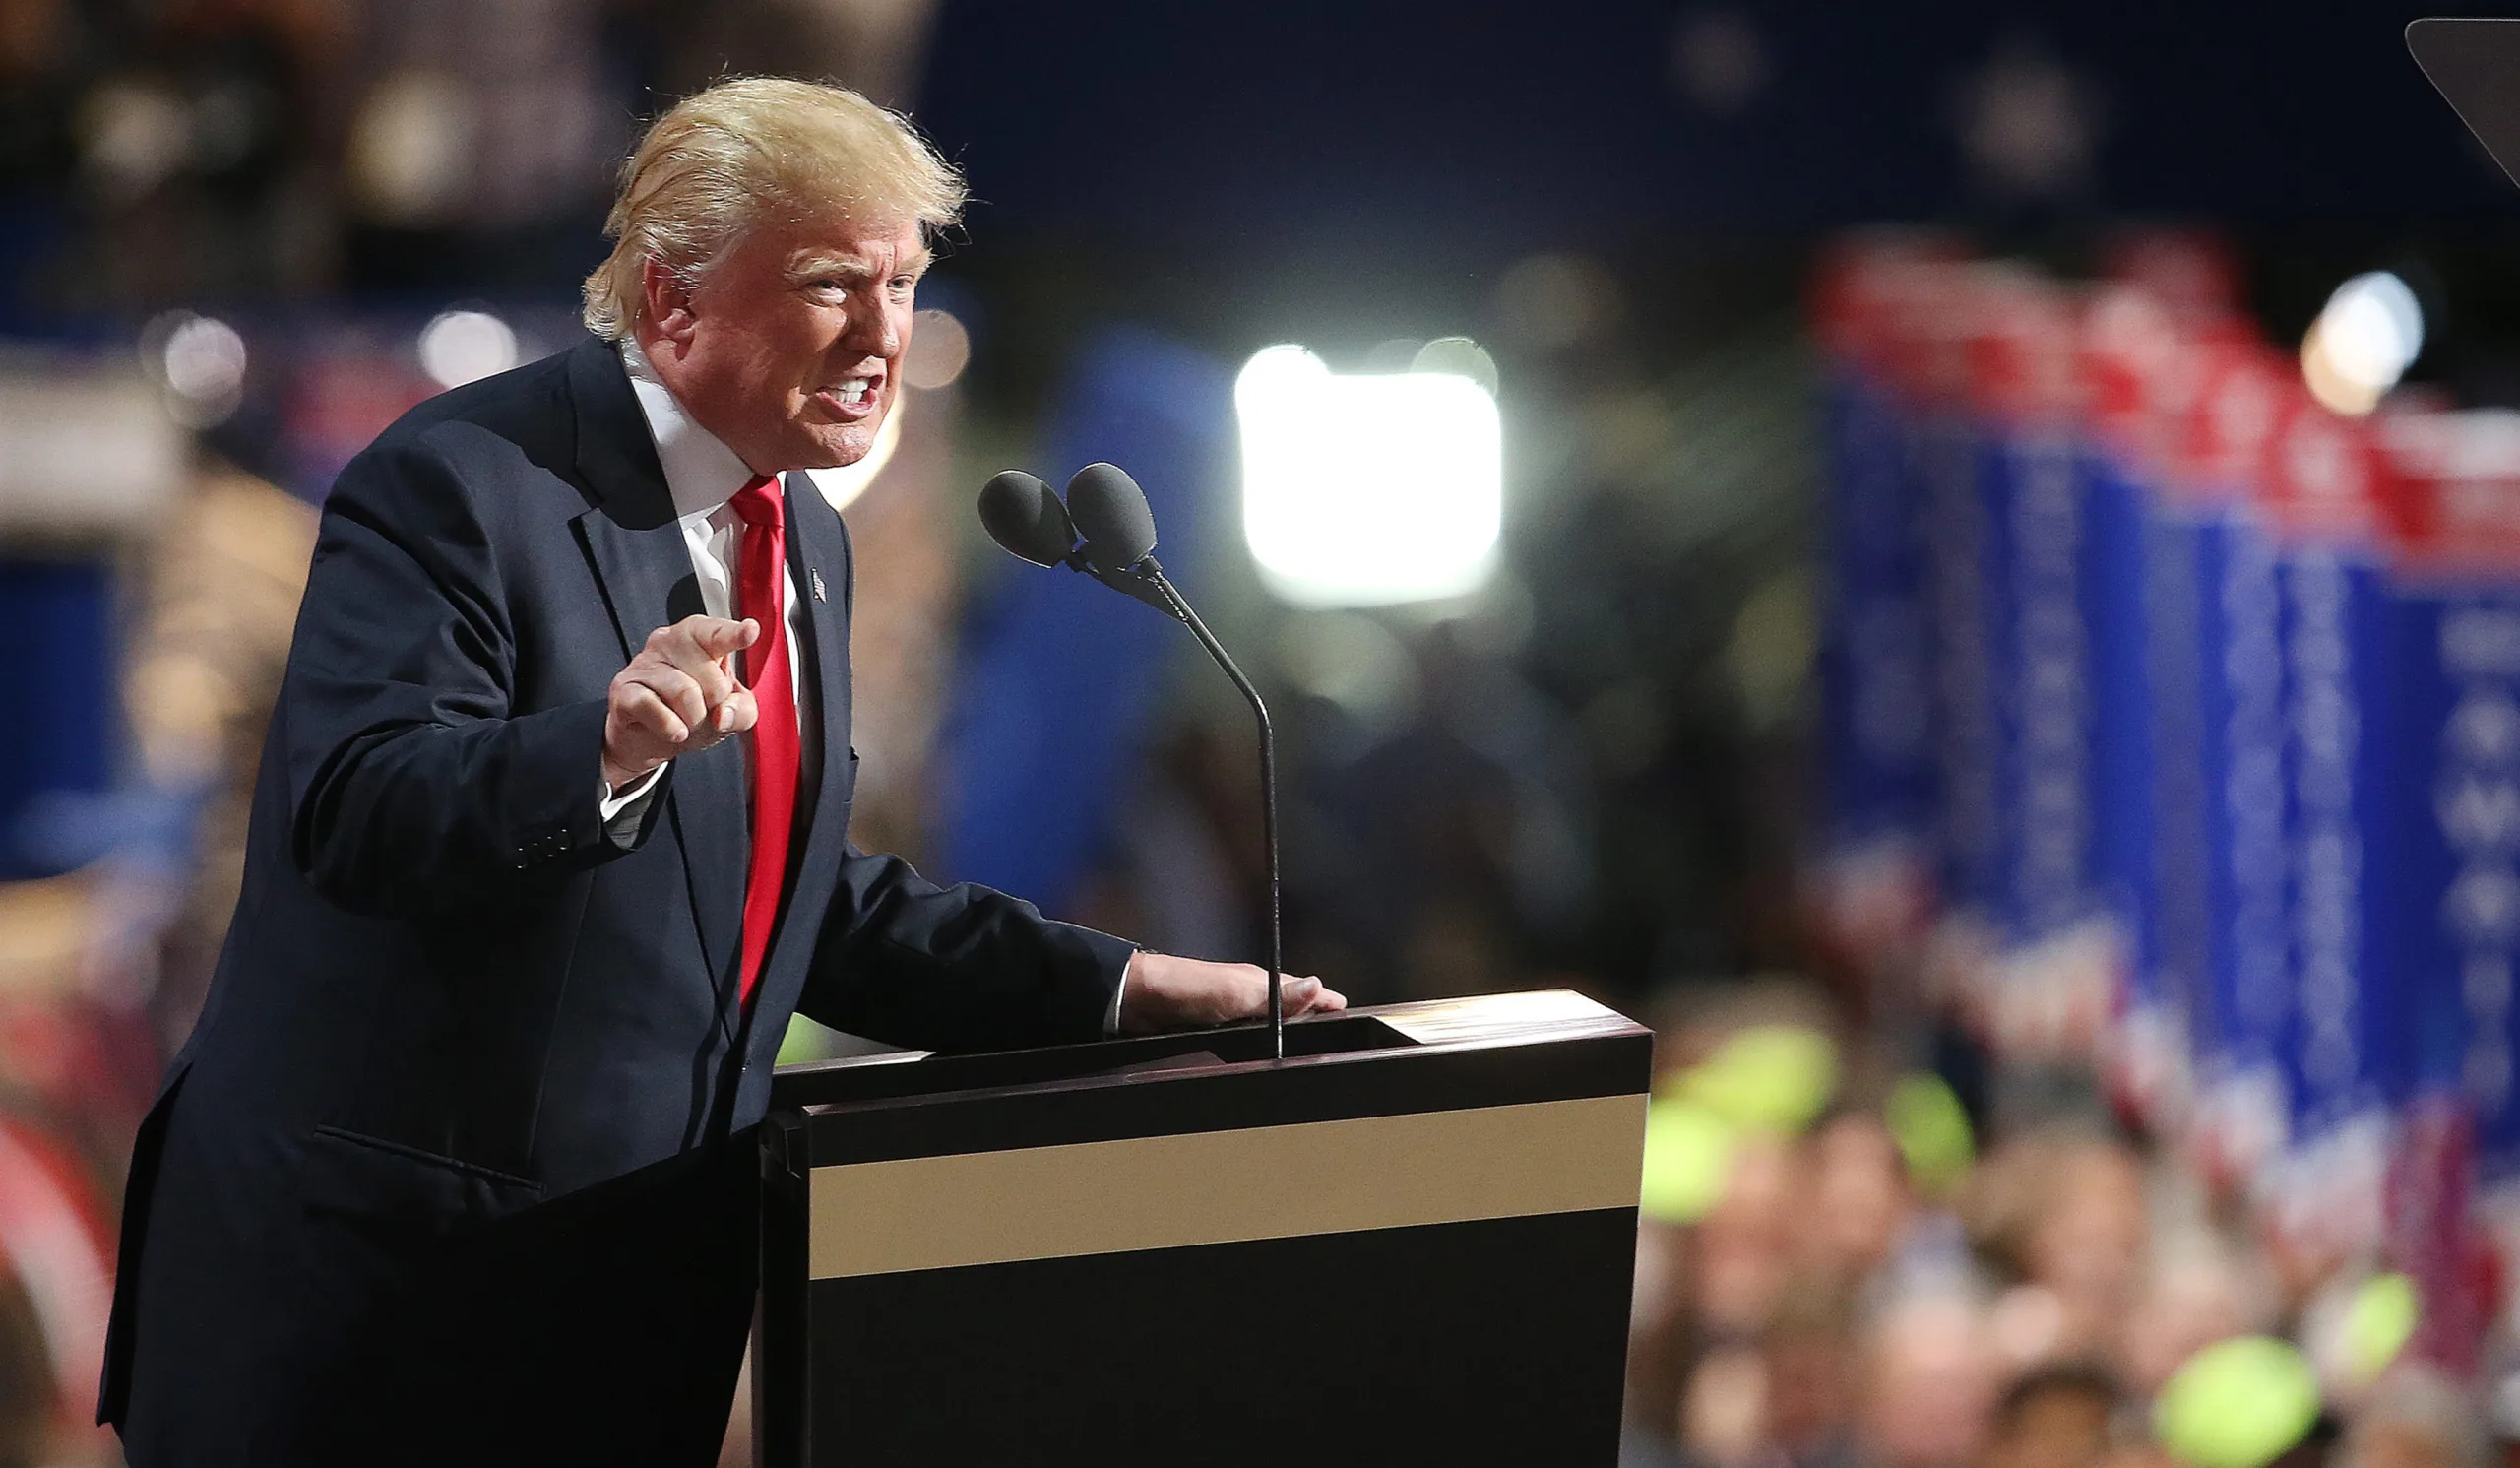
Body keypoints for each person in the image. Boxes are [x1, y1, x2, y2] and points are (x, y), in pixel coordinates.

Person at [96, 77, 1343, 1465]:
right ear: (674, 301)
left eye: (906, 283)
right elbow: (358, 809)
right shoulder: (461, 484)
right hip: (376, 1340)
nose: (886, 336)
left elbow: (797, 897)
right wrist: (606, 747)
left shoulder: (806, 534)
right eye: (833, 284)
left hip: (614, 1334)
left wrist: (1113, 988)